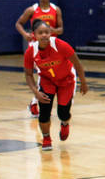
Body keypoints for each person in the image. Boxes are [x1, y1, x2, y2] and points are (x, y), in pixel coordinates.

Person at [24, 19, 88, 152]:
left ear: (50, 33)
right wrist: (35, 92)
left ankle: (65, 123)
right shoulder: (30, 52)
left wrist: (83, 82)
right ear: (34, 35)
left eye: (47, 32)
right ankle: (46, 138)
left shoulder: (60, 45)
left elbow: (77, 63)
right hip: (47, 81)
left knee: (63, 113)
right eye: (41, 33)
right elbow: (29, 75)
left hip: (66, 80)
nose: (44, 35)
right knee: (44, 113)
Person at [15, 0, 63, 116]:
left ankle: (34, 102)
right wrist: (25, 34)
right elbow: (18, 23)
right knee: (43, 73)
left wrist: (52, 30)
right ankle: (36, 102)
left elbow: (61, 29)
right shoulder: (32, 9)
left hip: (52, 47)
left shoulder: (56, 9)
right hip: (36, 47)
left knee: (49, 76)